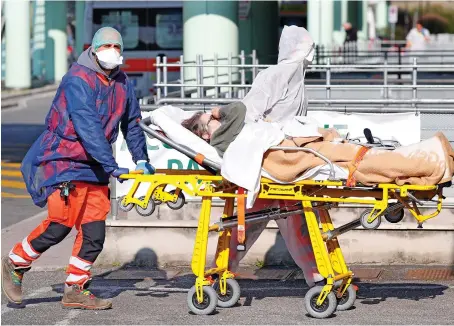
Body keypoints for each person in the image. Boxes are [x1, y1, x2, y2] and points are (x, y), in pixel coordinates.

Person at [1, 27, 155, 310]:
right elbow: (87, 126)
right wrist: (112, 165)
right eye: (106, 45)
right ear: (94, 49)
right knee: (60, 223)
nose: (112, 50)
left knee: (95, 232)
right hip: (64, 158)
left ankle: (75, 288)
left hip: (93, 164)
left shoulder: (122, 83)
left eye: (117, 46)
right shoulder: (77, 79)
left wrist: (140, 158)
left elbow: (132, 122)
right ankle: (15, 263)